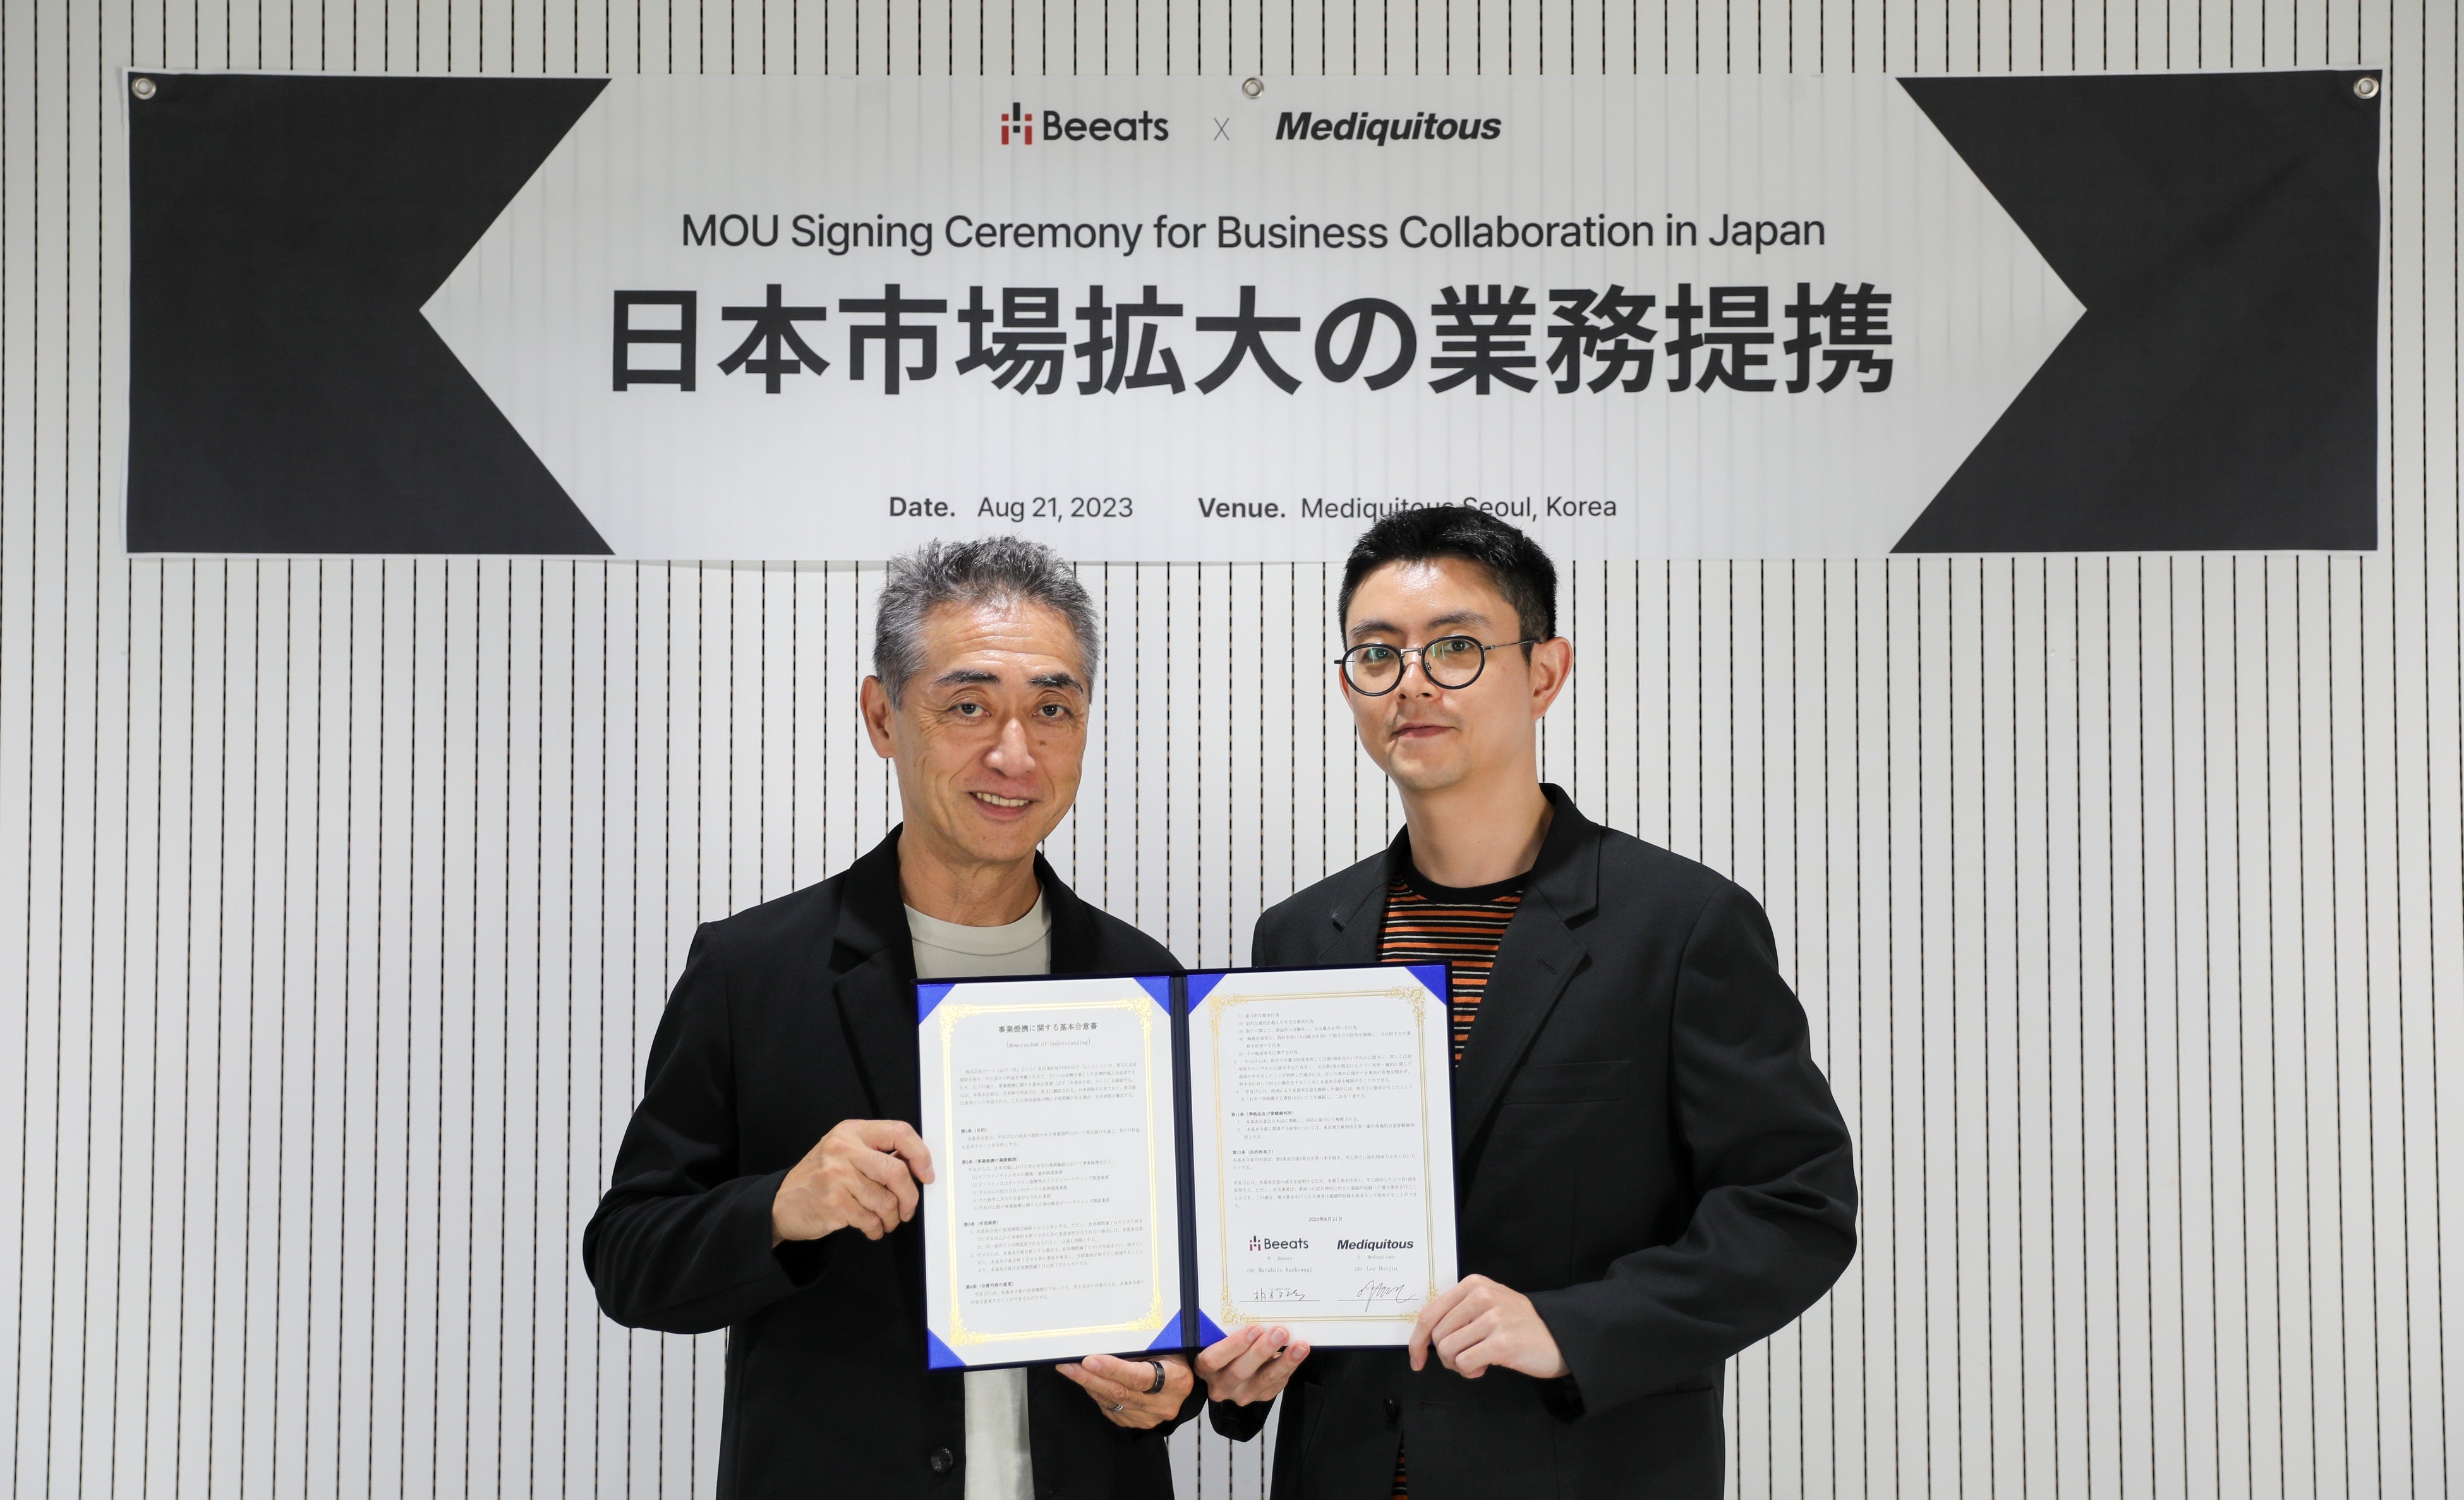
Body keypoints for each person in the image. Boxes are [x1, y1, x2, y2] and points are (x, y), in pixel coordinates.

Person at [1205, 507, 1858, 1499]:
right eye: (1377, 654)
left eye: (1455, 647)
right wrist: (1241, 1361)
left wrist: (1572, 1327)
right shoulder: (1299, 937)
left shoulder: (1680, 925)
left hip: (1583, 1469)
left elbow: (1794, 1206)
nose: (1412, 681)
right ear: (1349, 687)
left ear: (1545, 673)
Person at [584, 538, 1205, 1499]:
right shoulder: (754, 970)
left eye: (1052, 709)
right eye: (968, 706)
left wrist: (1172, 1381)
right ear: (883, 715)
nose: (1015, 754)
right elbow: (628, 1257)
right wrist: (782, 1207)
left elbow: (1189, 1290)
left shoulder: (1141, 982)